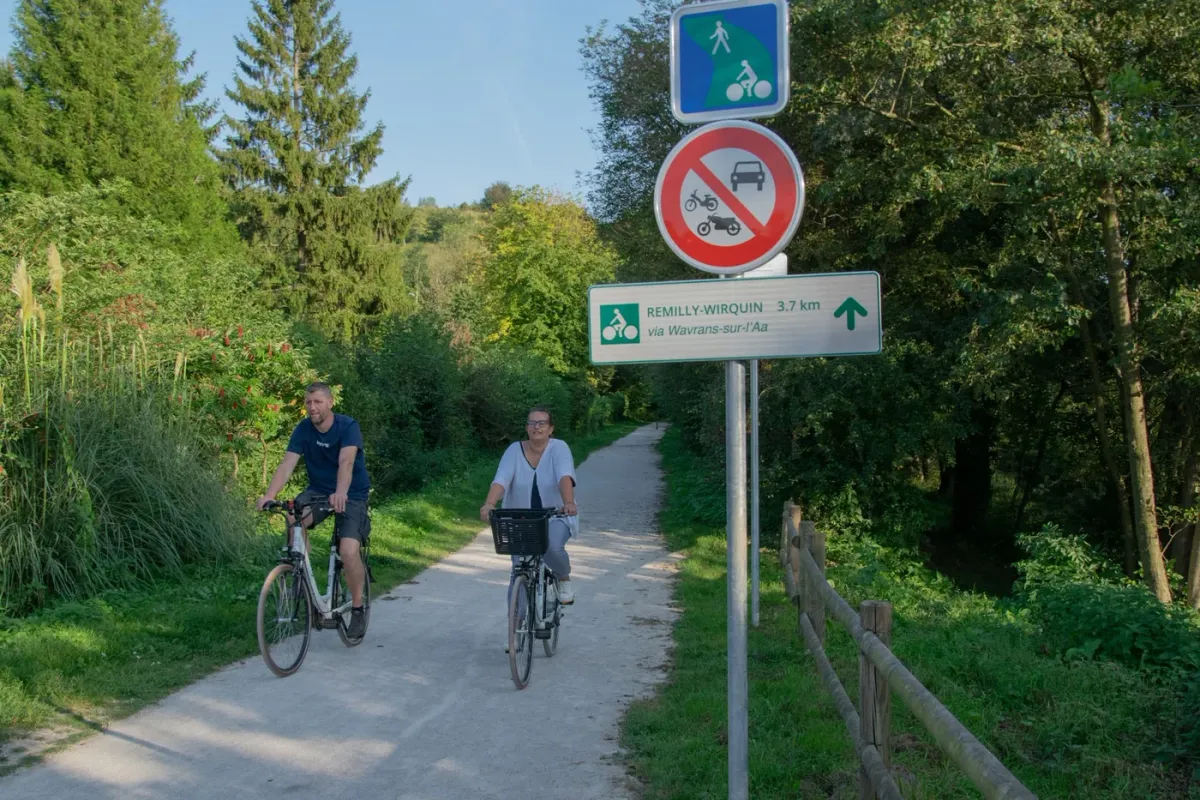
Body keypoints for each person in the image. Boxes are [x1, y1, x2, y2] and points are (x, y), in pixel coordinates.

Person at [257, 382, 371, 639]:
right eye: (308, 402)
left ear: (330, 403)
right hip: (318, 490)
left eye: (318, 402)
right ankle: (300, 573)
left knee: (348, 549)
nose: (312, 407)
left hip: (350, 493)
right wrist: (269, 495)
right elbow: (287, 464)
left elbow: (347, 461)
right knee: (292, 515)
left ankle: (357, 606)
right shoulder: (303, 429)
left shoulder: (347, 426)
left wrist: (341, 492)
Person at [480, 406, 578, 632]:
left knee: (552, 547)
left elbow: (564, 475)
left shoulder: (559, 448)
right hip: (520, 519)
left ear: (551, 428)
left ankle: (563, 579)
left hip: (555, 515)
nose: (537, 427)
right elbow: (501, 479)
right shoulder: (514, 450)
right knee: (518, 572)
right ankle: (514, 630)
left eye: (542, 423)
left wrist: (569, 502)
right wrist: (490, 503)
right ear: (526, 427)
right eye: (532, 423)